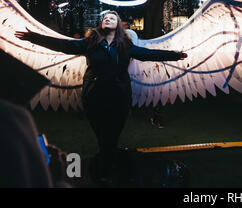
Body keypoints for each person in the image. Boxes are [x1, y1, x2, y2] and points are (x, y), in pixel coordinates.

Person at [15, 11, 187, 185]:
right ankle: (106, 172)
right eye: (105, 17)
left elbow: (148, 54)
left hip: (119, 98)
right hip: (94, 97)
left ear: (118, 24)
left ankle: (103, 174)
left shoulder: (126, 46)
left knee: (111, 138)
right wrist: (34, 37)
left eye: (112, 18)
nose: (108, 19)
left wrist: (175, 55)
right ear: (101, 24)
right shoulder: (90, 43)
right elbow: (63, 45)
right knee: (103, 138)